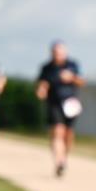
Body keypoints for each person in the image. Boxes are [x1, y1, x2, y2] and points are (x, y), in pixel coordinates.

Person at [36, 40, 85, 177]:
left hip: (71, 104)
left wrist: (72, 77)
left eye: (60, 52)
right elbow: (42, 83)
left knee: (68, 134)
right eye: (55, 53)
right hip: (54, 104)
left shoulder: (72, 65)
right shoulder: (47, 68)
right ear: (52, 53)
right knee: (57, 132)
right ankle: (59, 162)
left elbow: (82, 81)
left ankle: (64, 157)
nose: (58, 55)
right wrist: (41, 90)